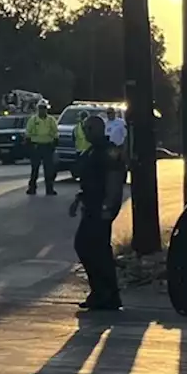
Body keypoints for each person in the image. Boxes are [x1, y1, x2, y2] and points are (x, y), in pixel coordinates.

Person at [68, 114, 124, 311]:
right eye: (86, 129)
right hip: (91, 205)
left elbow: (115, 181)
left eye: (89, 129)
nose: (87, 133)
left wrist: (108, 207)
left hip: (101, 209)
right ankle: (102, 292)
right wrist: (79, 199)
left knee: (93, 249)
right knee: (91, 248)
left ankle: (106, 293)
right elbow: (87, 178)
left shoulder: (109, 152)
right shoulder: (92, 151)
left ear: (99, 129)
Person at [25, 100, 60, 196]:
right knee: (35, 169)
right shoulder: (33, 120)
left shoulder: (51, 120)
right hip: (36, 146)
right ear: (38, 109)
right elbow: (28, 132)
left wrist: (55, 142)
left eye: (44, 108)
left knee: (48, 169)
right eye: (40, 108)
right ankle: (32, 188)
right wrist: (29, 144)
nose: (42, 111)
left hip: (48, 146)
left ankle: (49, 189)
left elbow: (55, 131)